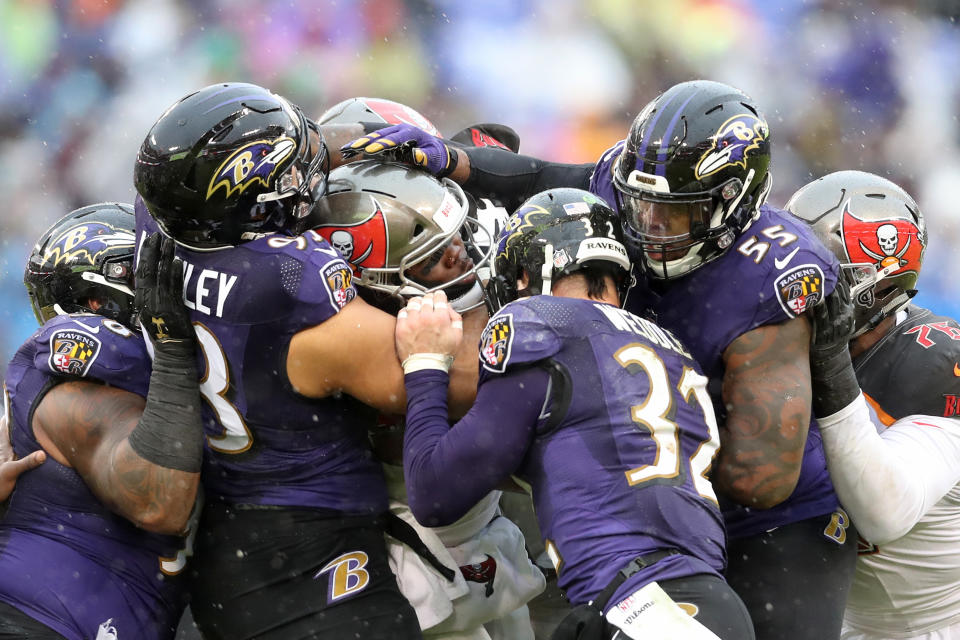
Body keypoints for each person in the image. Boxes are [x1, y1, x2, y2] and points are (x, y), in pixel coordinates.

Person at [346, 80, 856, 638]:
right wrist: (460, 162)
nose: (649, 226)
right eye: (642, 205)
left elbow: (762, 479)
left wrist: (598, 440)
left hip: (769, 521)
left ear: (730, 205)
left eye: (673, 213)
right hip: (655, 560)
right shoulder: (622, 200)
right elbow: (549, 179)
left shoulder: (771, 277)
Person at [132, 82, 489, 640]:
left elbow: (287, 164)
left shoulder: (160, 223)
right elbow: (446, 380)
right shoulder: (291, 281)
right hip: (313, 564)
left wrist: (373, 146)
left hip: (231, 542)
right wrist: (466, 288)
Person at [394, 187, 755, 639]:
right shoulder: (672, 348)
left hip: (648, 607)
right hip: (689, 601)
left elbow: (432, 493)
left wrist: (425, 365)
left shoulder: (538, 322)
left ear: (524, 273)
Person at [312, 159, 545, 640]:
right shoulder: (369, 349)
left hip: (478, 533)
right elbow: (498, 404)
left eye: (456, 235)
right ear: (375, 282)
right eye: (435, 253)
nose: (461, 252)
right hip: (424, 553)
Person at [0, 203, 203, 639]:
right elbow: (158, 501)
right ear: (98, 298)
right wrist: (170, 346)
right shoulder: (75, 386)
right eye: (148, 273)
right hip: (38, 619)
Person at [788, 170, 960, 640]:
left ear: (873, 285)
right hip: (839, 620)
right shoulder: (789, 348)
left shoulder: (934, 361)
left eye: (818, 273)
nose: (793, 286)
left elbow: (884, 512)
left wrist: (828, 365)